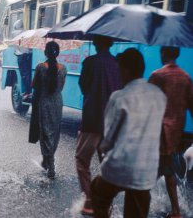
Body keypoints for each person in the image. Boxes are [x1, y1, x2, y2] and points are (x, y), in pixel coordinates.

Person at [91, 48, 166, 218]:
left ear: (125, 70)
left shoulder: (119, 97)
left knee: (97, 191)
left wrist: (102, 149)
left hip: (119, 167)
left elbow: (108, 138)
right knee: (137, 209)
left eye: (119, 69)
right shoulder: (159, 95)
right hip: (146, 172)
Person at [75, 35, 122, 215]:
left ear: (95, 43)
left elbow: (83, 86)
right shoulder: (117, 63)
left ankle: (89, 199)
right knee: (107, 162)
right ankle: (106, 201)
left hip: (92, 119)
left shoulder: (90, 62)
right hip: (112, 120)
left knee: (81, 159)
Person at [148, 46, 193, 218]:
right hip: (176, 133)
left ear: (163, 54)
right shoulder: (185, 77)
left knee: (152, 171)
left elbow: (147, 103)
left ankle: (173, 211)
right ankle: (174, 209)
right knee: (165, 170)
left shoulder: (157, 75)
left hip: (158, 131)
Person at [29, 41, 67, 179]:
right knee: (54, 133)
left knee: (45, 132)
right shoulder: (63, 68)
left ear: (46, 52)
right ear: (58, 53)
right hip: (57, 103)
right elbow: (60, 87)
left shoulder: (40, 67)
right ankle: (47, 161)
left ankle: (50, 164)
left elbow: (34, 85)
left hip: (44, 102)